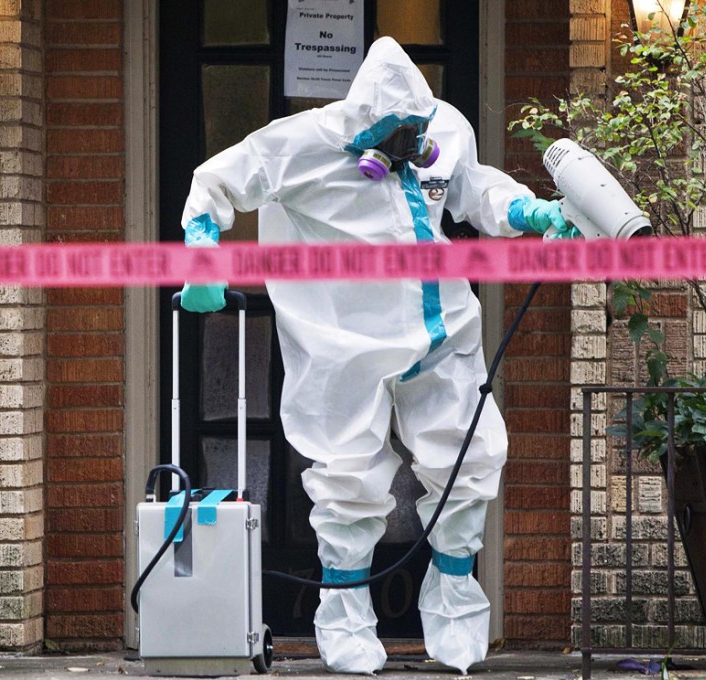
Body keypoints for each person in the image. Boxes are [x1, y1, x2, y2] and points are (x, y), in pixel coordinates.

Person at [178, 37, 567, 675]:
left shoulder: (445, 128)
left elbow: (474, 189)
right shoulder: (299, 142)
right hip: (342, 341)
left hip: (442, 332)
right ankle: (346, 623)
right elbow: (216, 181)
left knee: (469, 461)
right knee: (347, 479)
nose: (410, 150)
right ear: (363, 131)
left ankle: (456, 615)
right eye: (396, 141)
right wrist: (201, 250)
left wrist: (532, 210)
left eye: (416, 137)